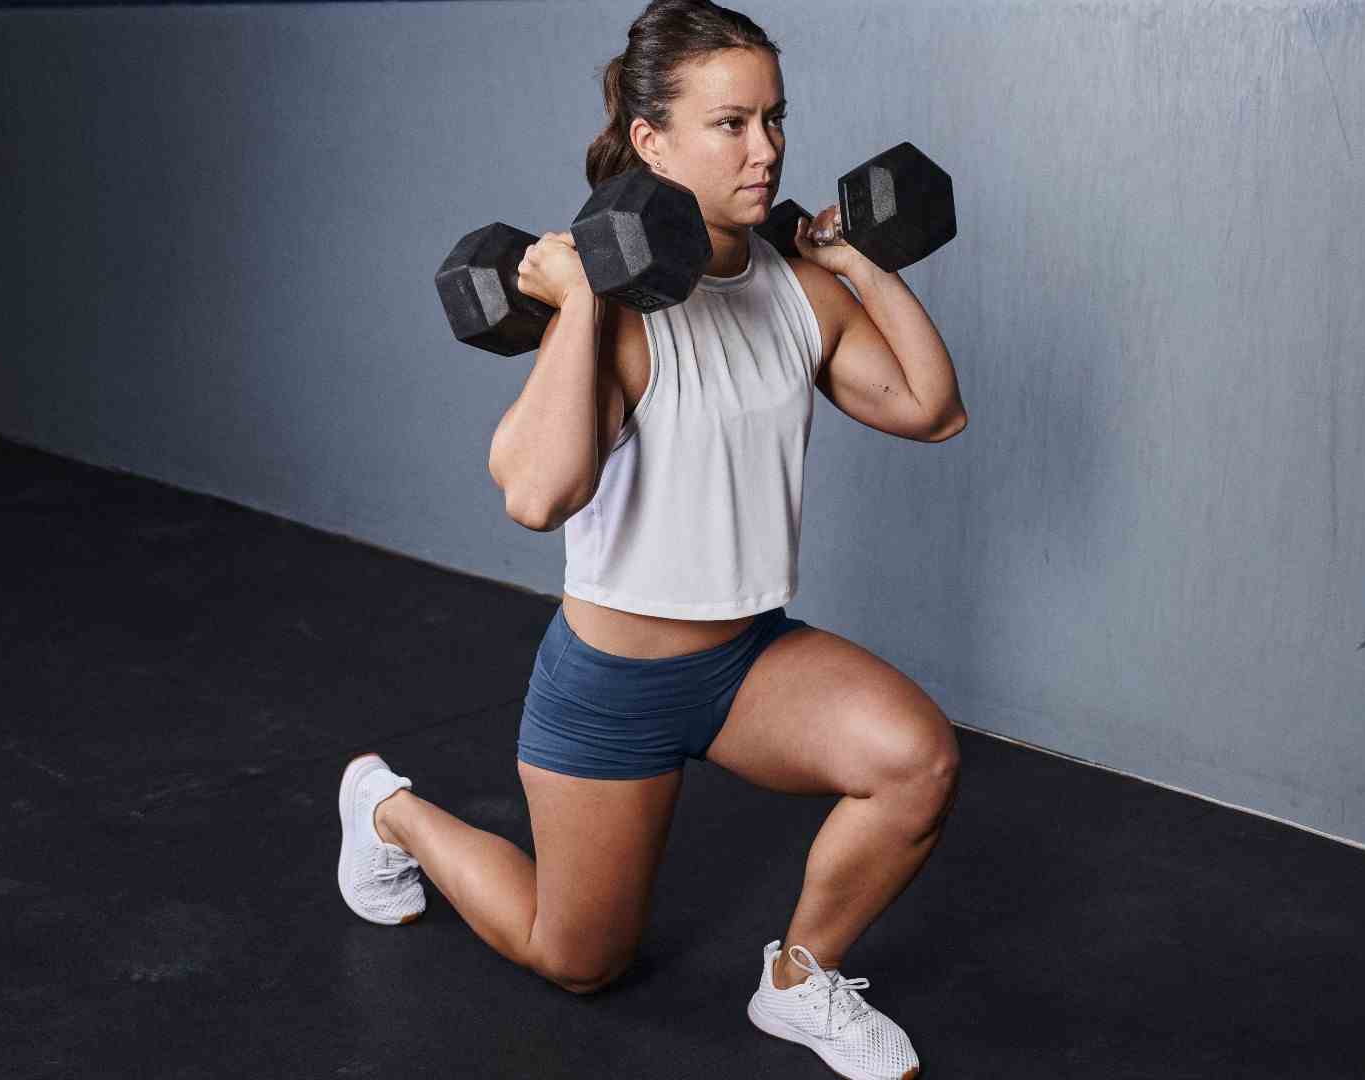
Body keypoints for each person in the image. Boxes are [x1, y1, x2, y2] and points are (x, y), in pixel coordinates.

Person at [338, 3, 967, 1077]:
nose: (765, 150)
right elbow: (536, 496)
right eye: (731, 124)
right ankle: (386, 808)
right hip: (614, 687)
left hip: (746, 661)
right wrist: (581, 299)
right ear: (650, 141)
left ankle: (797, 981)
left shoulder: (797, 294)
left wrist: (858, 262)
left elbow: (929, 408)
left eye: (775, 119)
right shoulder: (622, 318)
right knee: (578, 961)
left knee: (917, 759)